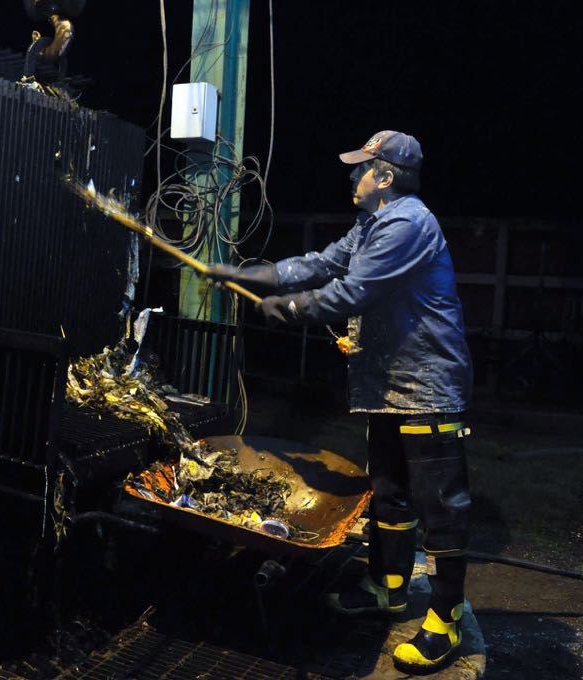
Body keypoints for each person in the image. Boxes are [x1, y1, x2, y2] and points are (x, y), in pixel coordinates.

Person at [208, 130, 474, 673]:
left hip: (426, 387)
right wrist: (257, 274)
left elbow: (350, 292)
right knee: (390, 494)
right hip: (387, 388)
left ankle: (445, 617)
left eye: (362, 169)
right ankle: (389, 588)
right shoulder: (371, 224)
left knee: (440, 509)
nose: (353, 177)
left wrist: (286, 307)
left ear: (387, 177)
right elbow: (324, 263)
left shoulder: (407, 223)